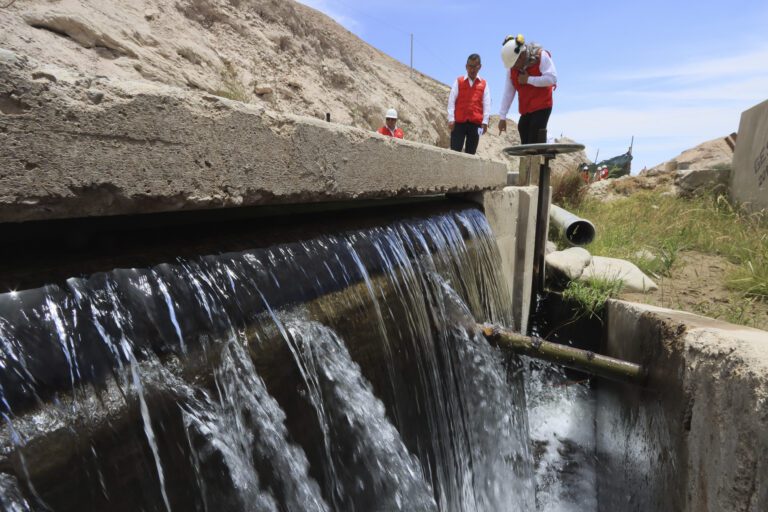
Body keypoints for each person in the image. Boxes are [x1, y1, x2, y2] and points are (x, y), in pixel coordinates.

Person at [497, 34, 557, 144]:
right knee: (522, 127)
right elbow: (508, 93)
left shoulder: (541, 55)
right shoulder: (512, 69)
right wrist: (502, 117)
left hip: (542, 105)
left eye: (515, 64)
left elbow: (552, 79)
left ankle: (547, 143)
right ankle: (530, 158)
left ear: (521, 55)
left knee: (535, 130)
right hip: (526, 108)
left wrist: (528, 79)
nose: (514, 67)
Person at [447, 54, 490, 154]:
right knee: (454, 153)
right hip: (458, 123)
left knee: (471, 154)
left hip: (475, 125)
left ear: (480, 67)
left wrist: (485, 122)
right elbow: (451, 100)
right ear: (466, 66)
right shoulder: (459, 81)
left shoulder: (484, 84)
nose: (472, 69)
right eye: (470, 66)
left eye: (475, 66)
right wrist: (451, 119)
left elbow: (487, 104)